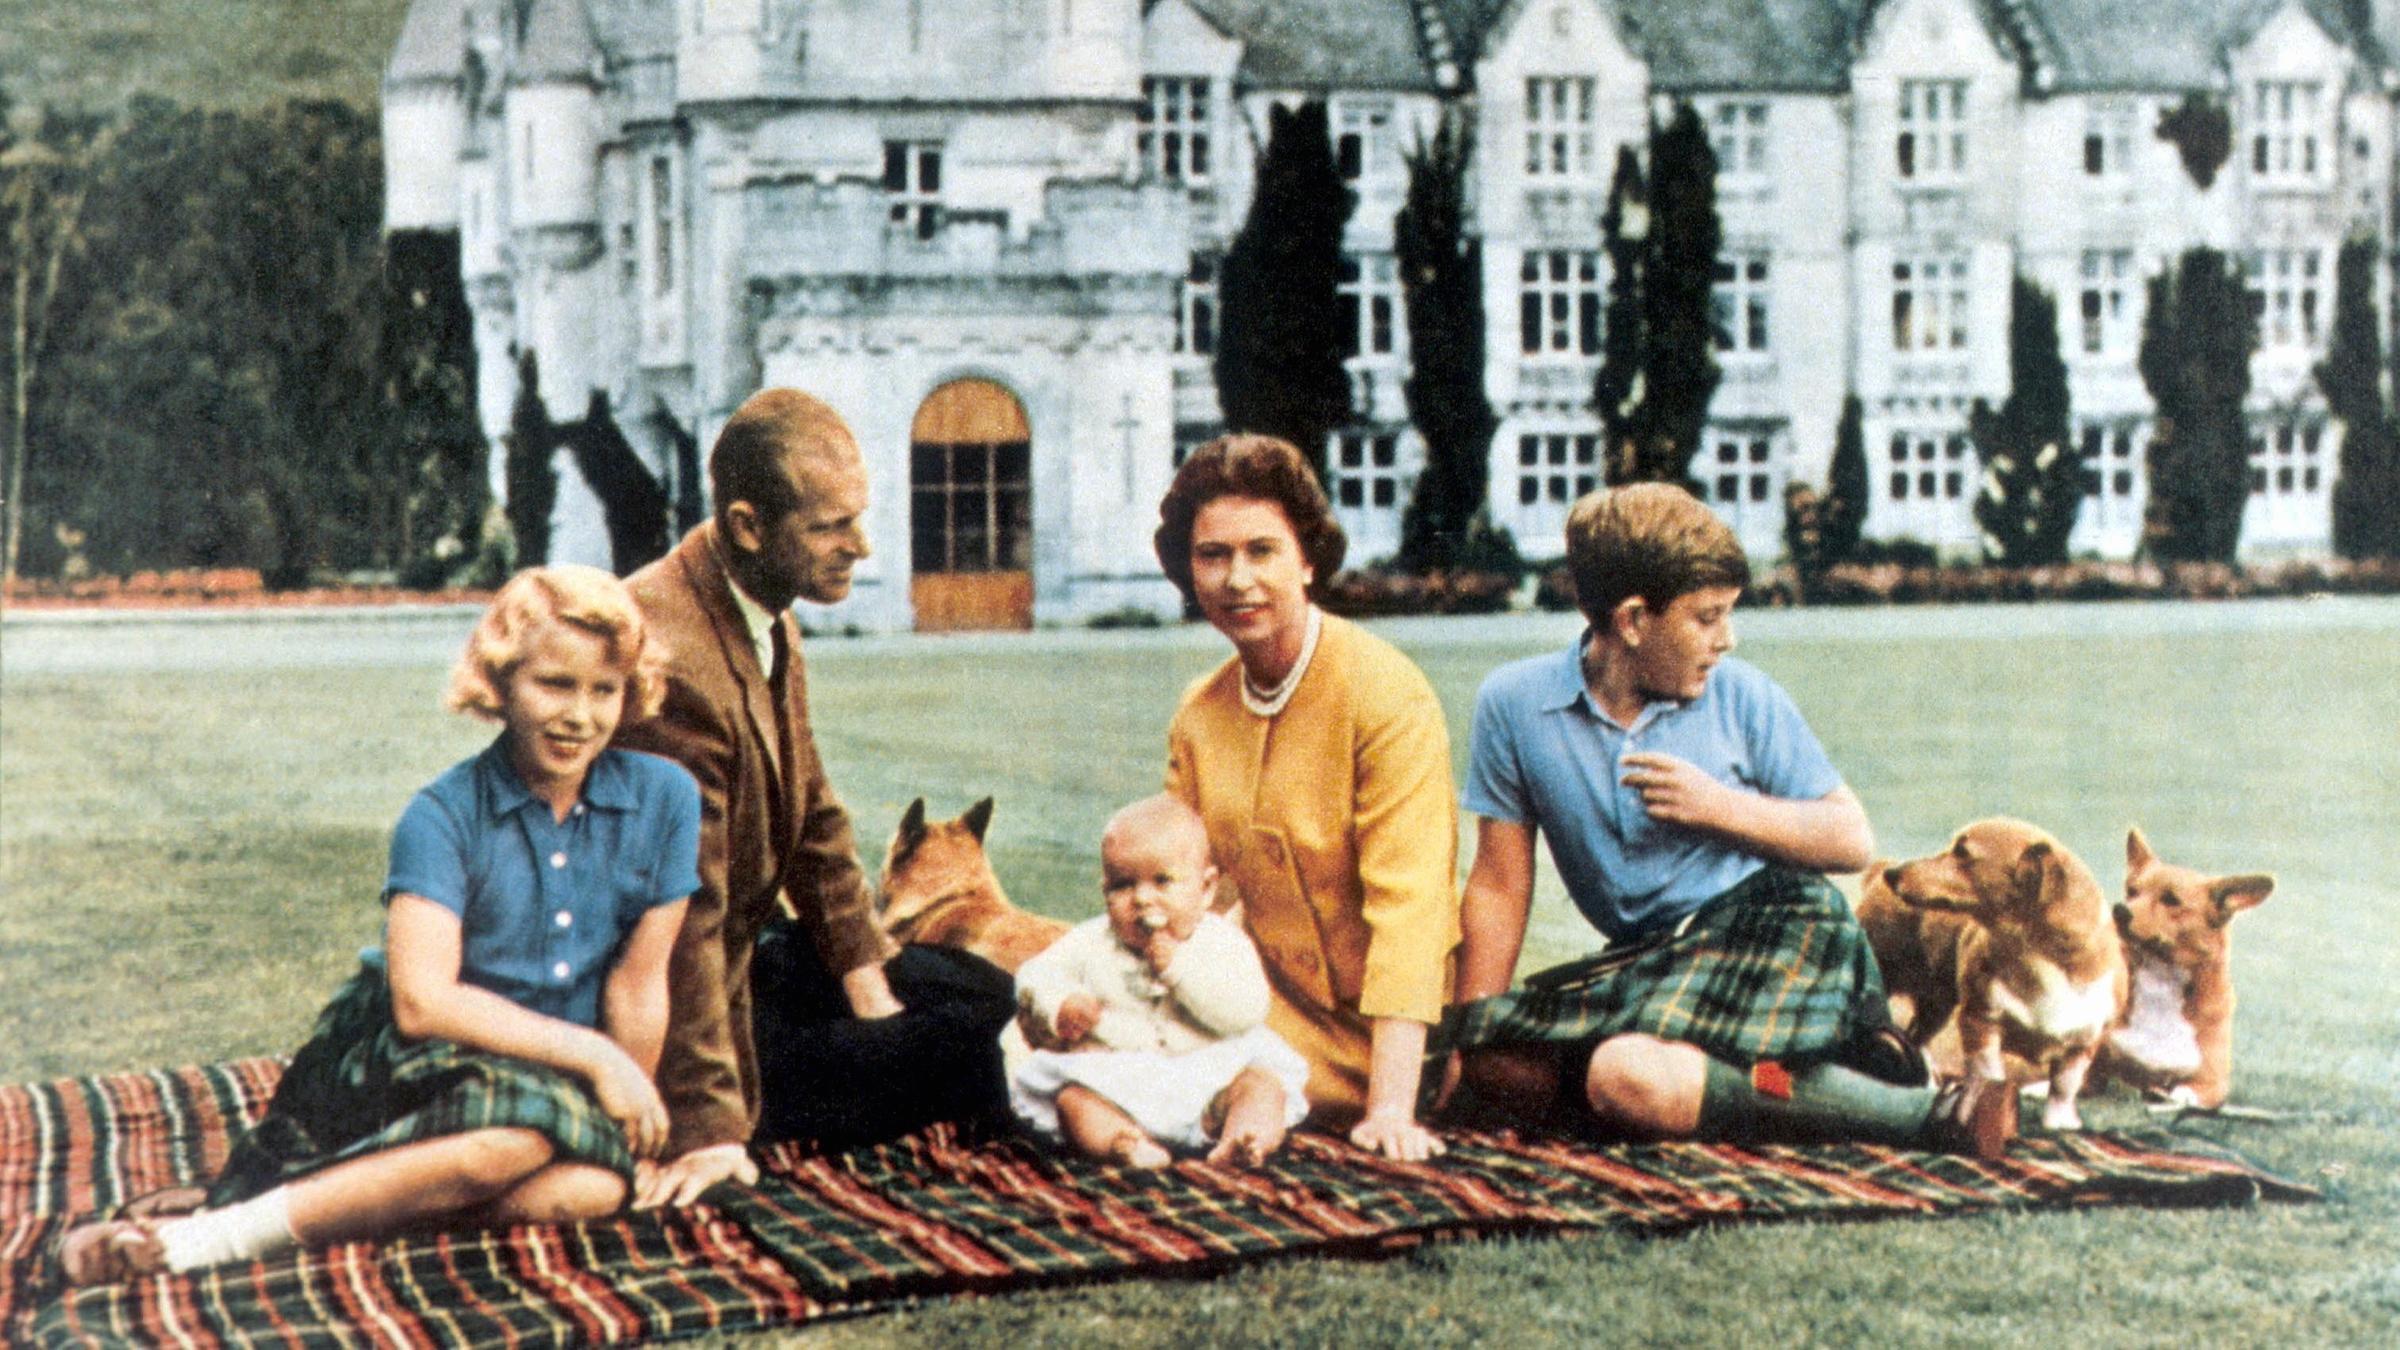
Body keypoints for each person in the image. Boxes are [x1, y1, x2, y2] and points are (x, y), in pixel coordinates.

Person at [61, 566, 698, 1283]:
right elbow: (423, 1005)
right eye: (554, 684)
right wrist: (596, 1058)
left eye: (603, 690)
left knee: (594, 1189)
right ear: (500, 682)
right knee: (506, 1147)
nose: (579, 715)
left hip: (550, 1073)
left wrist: (634, 1110)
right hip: (415, 1058)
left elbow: (639, 984)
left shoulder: (666, 798)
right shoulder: (442, 815)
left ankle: (328, 1200)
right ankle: (212, 1238)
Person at [1446, 483, 2014, 1156]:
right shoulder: (1513, 706)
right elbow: (1500, 885)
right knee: (1498, 1071)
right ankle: (1824, 1073)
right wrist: (1468, 1033)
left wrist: (1720, 809)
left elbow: (1852, 841)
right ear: (1632, 621)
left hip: (1778, 929)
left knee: (1629, 1076)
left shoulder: (1743, 697)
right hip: (1653, 959)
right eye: (1707, 617)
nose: (1728, 639)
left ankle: (1930, 1113)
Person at [615, 387, 1016, 1208]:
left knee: (987, 992)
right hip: (670, 1011)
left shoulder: (762, 605)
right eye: (832, 527)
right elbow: (682, 916)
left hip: (748, 956)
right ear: (748, 524)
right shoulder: (670, 653)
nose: (861, 546)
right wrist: (710, 1130)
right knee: (974, 1049)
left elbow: (816, 822)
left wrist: (866, 977)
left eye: (856, 519)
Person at [1155, 434, 1463, 1164]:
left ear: (1308, 559)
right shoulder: (1200, 713)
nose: (1237, 579)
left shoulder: (1385, 694)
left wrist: (1391, 1107)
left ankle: (1247, 1100)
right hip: (1257, 1005)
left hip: (1388, 1033)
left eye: (1262, 551)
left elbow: (1413, 912)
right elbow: (1178, 896)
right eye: (1213, 555)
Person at [1003, 794, 1311, 1167]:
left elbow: (1245, 1011)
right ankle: (1126, 1144)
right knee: (1072, 1100)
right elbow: (1036, 974)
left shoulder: (1222, 942)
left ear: (1206, 888)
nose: (1142, 899)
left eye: (1163, 881)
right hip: (1121, 1083)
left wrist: (1179, 972)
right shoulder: (1092, 941)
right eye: (1123, 885)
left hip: (1211, 1076)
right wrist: (1061, 1004)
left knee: (1263, 1086)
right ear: (1105, 891)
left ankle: (1240, 1141)